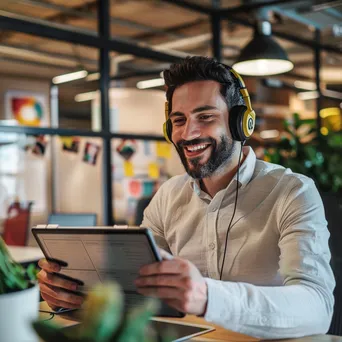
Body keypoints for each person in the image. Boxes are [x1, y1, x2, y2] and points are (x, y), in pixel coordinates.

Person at [37, 56, 335, 339]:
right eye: (179, 120)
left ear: (240, 123)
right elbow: (136, 292)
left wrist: (206, 296)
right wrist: (74, 295)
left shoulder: (292, 191)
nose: (188, 133)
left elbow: (317, 307)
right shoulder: (168, 197)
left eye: (205, 116)